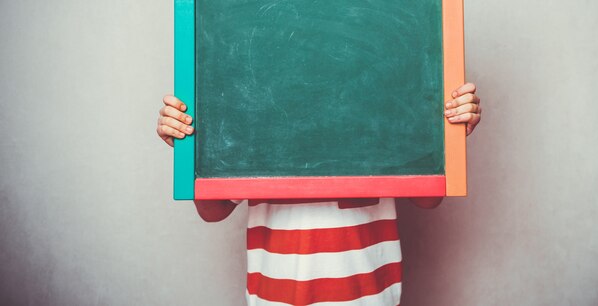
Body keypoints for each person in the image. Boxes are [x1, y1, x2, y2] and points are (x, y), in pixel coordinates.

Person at [157, 83, 481, 305]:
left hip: (367, 295)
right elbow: (212, 210)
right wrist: (193, 147)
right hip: (275, 295)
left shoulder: (379, 88)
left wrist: (445, 134)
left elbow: (429, 197)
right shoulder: (255, 90)